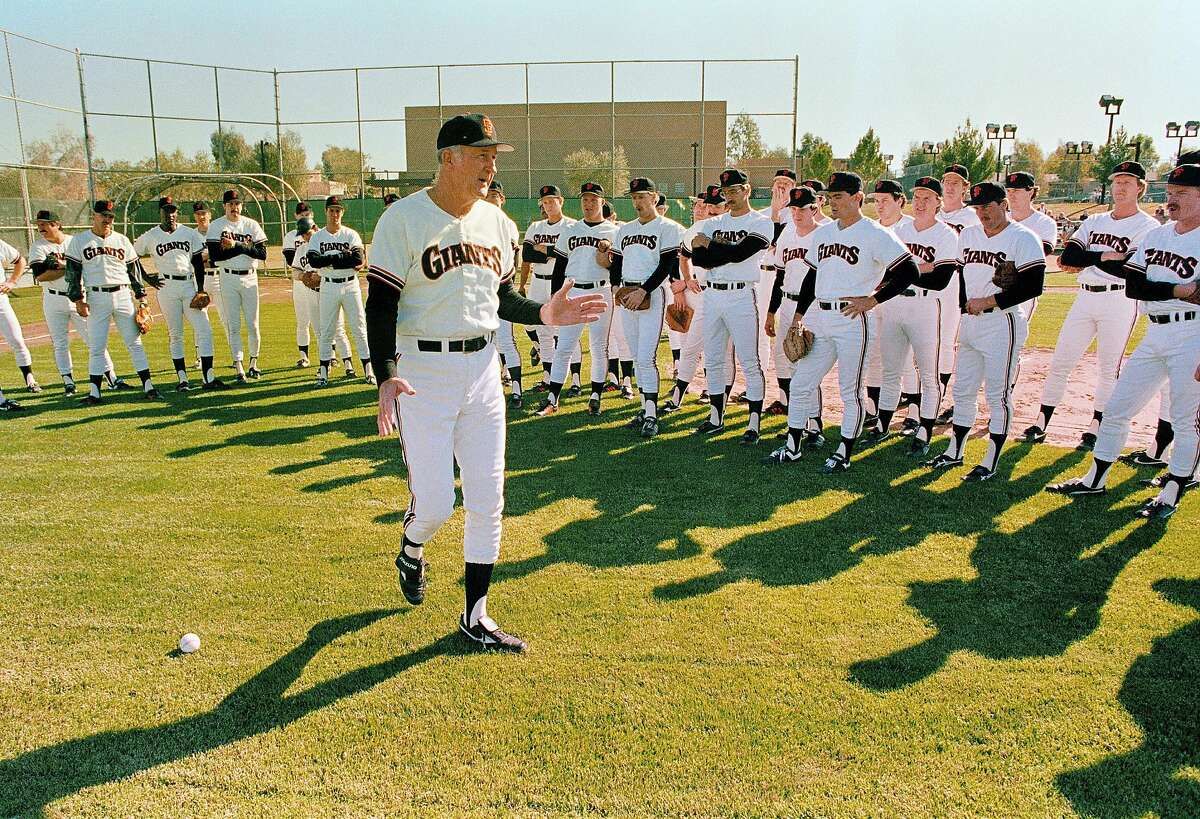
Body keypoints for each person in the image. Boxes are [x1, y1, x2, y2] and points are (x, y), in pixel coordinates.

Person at [365, 114, 605, 652]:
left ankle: (476, 615)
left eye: (494, 155)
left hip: (482, 371)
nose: (491, 165)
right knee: (433, 506)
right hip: (421, 373)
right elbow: (380, 303)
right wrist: (385, 375)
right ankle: (412, 544)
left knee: (487, 499)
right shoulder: (403, 219)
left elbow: (501, 300)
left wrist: (545, 313)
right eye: (481, 154)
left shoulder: (497, 224)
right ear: (449, 156)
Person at [1046, 163, 1200, 520]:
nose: (1172, 199)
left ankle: (1171, 493)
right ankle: (1094, 478)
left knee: (1186, 419)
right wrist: (1179, 289)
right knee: (1117, 408)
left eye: (1183, 194)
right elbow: (1134, 285)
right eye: (1171, 193)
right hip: (1155, 332)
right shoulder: (1158, 235)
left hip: (1193, 335)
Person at [765, 172, 919, 471]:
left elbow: (909, 271)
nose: (831, 202)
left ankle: (844, 451)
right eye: (830, 196)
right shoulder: (823, 233)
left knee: (850, 389)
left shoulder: (875, 233)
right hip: (820, 317)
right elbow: (812, 276)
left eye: (838, 196)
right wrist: (798, 316)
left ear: (857, 198)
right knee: (801, 383)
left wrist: (873, 300)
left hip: (853, 319)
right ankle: (794, 445)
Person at [1023, 161, 1159, 450]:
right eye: (1117, 182)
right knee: (1061, 360)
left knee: (1109, 367)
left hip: (1119, 299)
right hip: (1084, 296)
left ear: (1140, 188)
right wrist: (1103, 257)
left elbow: (1127, 270)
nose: (1120, 187)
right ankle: (1041, 420)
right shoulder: (1095, 221)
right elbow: (1069, 258)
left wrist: (1094, 256)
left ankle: (1096, 425)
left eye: (1127, 182)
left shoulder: (1147, 225)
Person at [924, 181, 1045, 481]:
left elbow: (1033, 286)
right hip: (972, 322)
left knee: (998, 393)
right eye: (977, 208)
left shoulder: (1023, 238)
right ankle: (955, 451)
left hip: (1002, 322)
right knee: (962, 390)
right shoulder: (969, 234)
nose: (982, 213)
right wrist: (966, 303)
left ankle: (990, 459)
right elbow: (963, 275)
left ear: (1004, 204)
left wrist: (989, 300)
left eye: (988, 206)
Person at [875, 177, 960, 456]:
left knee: (928, 373)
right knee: (892, 371)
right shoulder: (900, 229)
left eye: (928, 198)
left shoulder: (947, 235)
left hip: (925, 307)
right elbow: (886, 271)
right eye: (918, 197)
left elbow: (941, 280)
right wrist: (923, 267)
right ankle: (882, 426)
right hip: (893, 305)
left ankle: (924, 431)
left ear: (938, 202)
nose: (921, 203)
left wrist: (907, 272)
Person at [65, 199, 162, 404]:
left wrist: (142, 298)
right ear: (94, 216)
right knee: (97, 346)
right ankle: (94, 392)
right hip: (96, 297)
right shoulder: (80, 241)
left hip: (123, 295)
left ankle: (149, 386)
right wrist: (77, 300)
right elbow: (72, 273)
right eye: (103, 216)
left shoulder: (122, 240)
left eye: (110, 217)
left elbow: (133, 271)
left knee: (134, 343)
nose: (107, 220)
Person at [607, 177, 683, 437]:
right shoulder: (625, 230)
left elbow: (666, 265)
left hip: (652, 294)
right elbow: (615, 261)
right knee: (636, 354)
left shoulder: (668, 227)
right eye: (634, 197)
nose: (637, 201)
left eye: (642, 196)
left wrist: (643, 291)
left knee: (646, 356)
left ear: (655, 197)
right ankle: (644, 408)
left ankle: (652, 416)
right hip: (628, 293)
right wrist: (615, 287)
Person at [536, 182, 617, 416]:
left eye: (593, 199)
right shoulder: (571, 230)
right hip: (572, 291)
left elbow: (617, 267)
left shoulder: (613, 231)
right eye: (585, 199)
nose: (588, 204)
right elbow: (560, 265)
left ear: (602, 202)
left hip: (600, 291)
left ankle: (595, 396)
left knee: (598, 347)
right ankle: (553, 398)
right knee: (564, 347)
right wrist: (554, 297)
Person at [27, 209, 123, 395]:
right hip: (53, 298)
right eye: (39, 224)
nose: (40, 228)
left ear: (56, 224)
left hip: (79, 298)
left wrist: (65, 267)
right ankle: (68, 381)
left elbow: (89, 267)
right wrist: (71, 268)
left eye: (44, 224)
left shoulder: (74, 242)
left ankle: (111, 377)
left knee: (94, 338)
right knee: (60, 342)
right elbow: (41, 276)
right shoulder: (38, 247)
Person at [760, 185, 824, 461]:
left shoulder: (824, 234)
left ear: (815, 208)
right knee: (784, 361)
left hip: (811, 306)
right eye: (793, 209)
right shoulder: (787, 232)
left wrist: (802, 314)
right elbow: (779, 275)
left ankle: (816, 425)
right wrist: (772, 312)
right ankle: (795, 419)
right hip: (785, 303)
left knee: (807, 364)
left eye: (802, 208)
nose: (797, 214)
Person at [134, 196, 223, 391]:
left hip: (188, 284)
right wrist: (148, 279)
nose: (171, 215)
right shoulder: (150, 235)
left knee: (204, 330)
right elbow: (132, 257)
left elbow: (198, 262)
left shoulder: (188, 233)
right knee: (175, 334)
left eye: (174, 211)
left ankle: (208, 376)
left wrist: (200, 289)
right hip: (166, 287)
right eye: (167, 211)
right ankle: (182, 379)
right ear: (160, 213)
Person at [520, 184, 579, 407]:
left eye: (552, 201)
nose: (548, 205)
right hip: (539, 281)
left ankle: (574, 380)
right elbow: (527, 253)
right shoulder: (536, 226)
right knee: (543, 330)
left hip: (561, 282)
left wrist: (545, 249)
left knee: (566, 332)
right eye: (545, 202)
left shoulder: (572, 225)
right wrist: (554, 251)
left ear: (561, 201)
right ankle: (547, 377)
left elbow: (571, 254)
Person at [307, 195, 374, 386]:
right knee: (327, 330)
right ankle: (323, 373)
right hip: (328, 285)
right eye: (331, 210)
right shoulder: (318, 236)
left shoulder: (350, 234)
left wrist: (329, 259)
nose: (335, 214)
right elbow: (314, 261)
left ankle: (368, 370)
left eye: (338, 210)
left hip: (350, 284)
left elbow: (357, 260)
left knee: (359, 328)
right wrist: (341, 256)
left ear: (342, 212)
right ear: (326, 212)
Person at [934, 164, 982, 423]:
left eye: (957, 182)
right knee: (928, 342)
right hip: (929, 286)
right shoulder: (932, 214)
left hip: (956, 283)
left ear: (966, 187)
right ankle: (926, 395)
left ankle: (950, 399)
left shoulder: (973, 217)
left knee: (950, 343)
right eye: (947, 181)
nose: (950, 186)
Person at [205, 190, 267, 383]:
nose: (234, 207)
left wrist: (236, 246)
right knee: (233, 325)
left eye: (237, 203)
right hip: (228, 278)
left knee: (253, 324)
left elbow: (262, 253)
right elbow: (215, 256)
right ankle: (239, 365)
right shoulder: (216, 226)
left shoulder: (251, 224)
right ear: (224, 206)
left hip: (250, 278)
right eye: (230, 204)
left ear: (241, 205)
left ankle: (253, 363)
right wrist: (245, 249)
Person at [0, 236, 41, 393]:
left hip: (1, 301)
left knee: (17, 340)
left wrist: (12, 281)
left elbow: (20, 260)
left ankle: (29, 379)